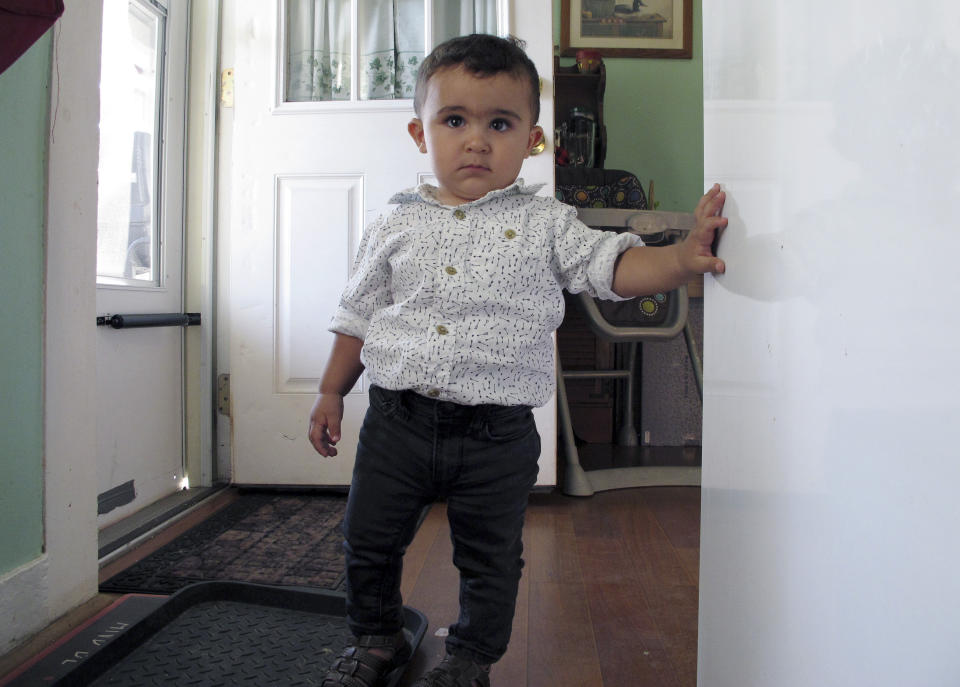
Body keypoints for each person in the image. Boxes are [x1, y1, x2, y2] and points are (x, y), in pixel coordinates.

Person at [310, 33, 726, 687]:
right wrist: (332, 391)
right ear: (421, 134)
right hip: (398, 423)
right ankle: (375, 636)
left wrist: (679, 259)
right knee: (369, 538)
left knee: (491, 555)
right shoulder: (392, 225)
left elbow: (610, 265)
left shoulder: (547, 223)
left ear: (532, 139)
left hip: (496, 436)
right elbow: (357, 315)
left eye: (499, 123)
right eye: (455, 120)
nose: (476, 140)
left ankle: (470, 658)